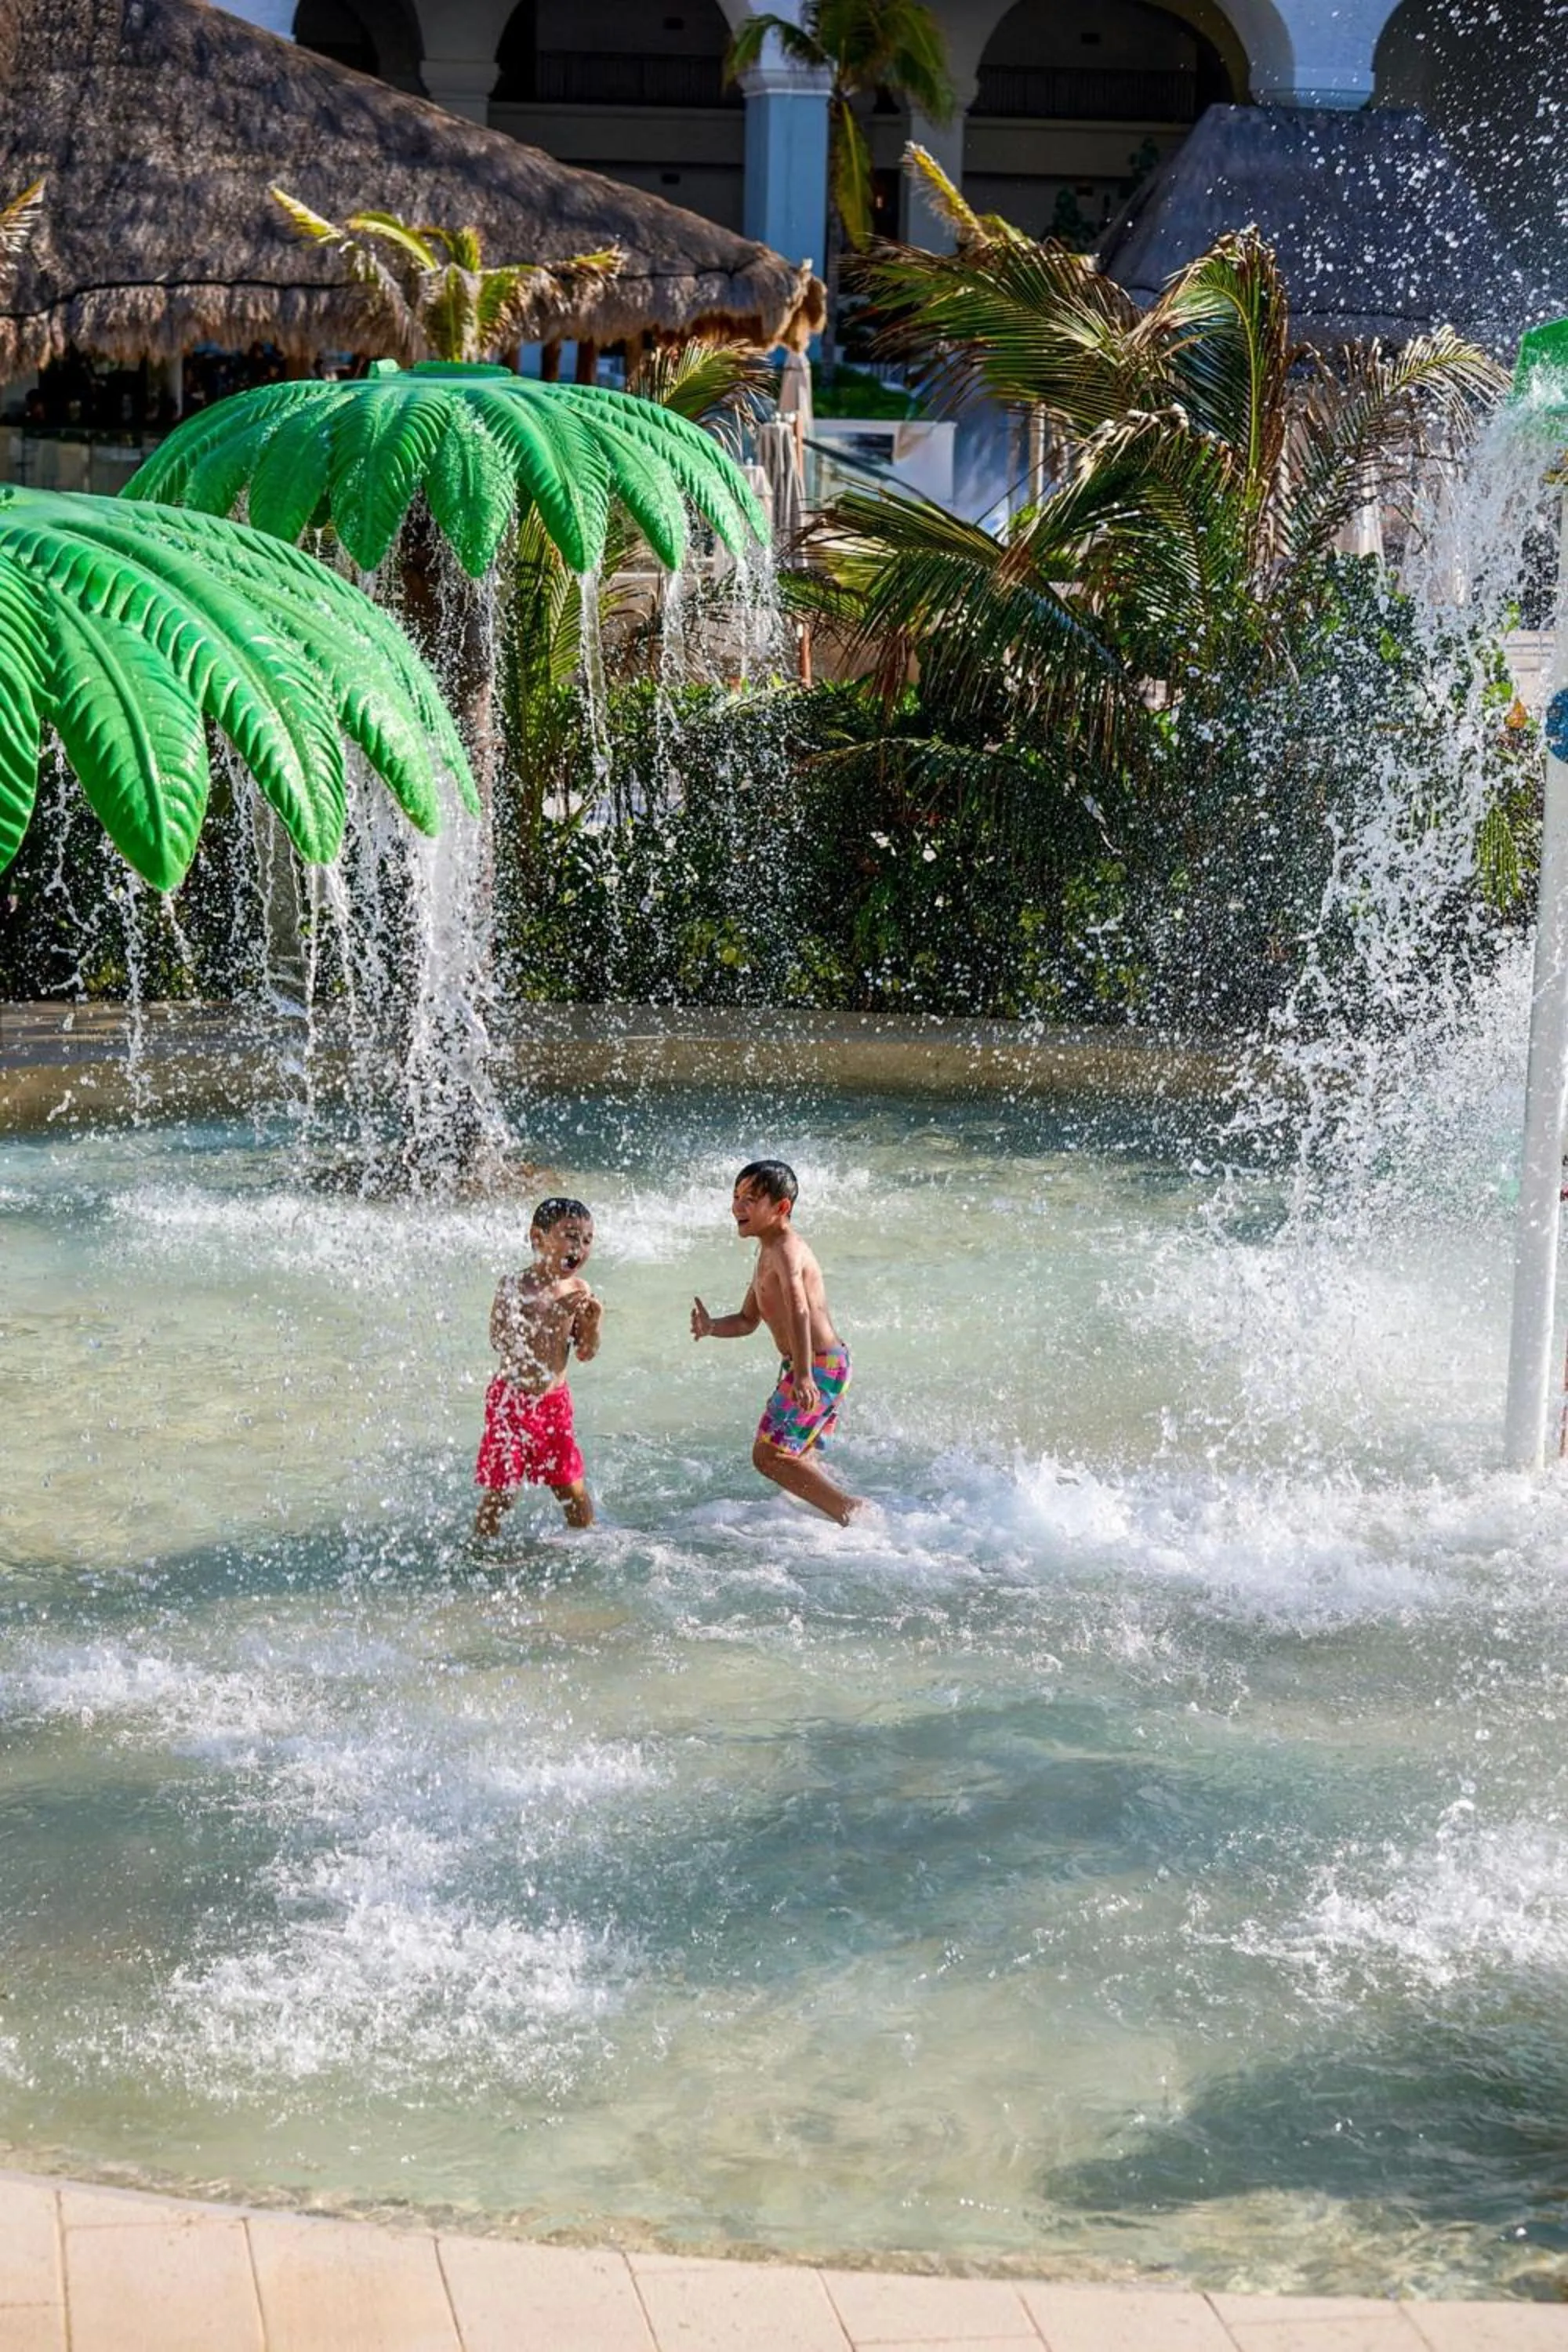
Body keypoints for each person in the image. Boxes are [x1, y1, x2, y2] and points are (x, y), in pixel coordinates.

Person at [691, 1159, 865, 1526]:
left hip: (817, 1365)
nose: (738, 1207)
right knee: (795, 1455)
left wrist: (803, 1376)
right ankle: (827, 1519)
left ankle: (851, 1512)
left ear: (781, 1207)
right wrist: (710, 1327)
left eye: (751, 1199)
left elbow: (800, 1310)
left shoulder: (786, 1250)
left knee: (768, 1456)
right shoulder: (766, 1252)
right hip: (814, 1364)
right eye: (736, 1196)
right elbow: (747, 1320)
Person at [474, 1197, 602, 1536]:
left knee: (571, 1490)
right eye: (571, 1235)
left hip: (554, 1404)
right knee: (503, 1491)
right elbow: (499, 1340)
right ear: (537, 1238)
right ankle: (480, 1548)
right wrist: (545, 1314)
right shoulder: (514, 1287)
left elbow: (586, 1353)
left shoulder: (579, 1290)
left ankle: (589, 1545)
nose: (580, 1247)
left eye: (587, 1239)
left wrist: (591, 1324)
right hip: (511, 1403)